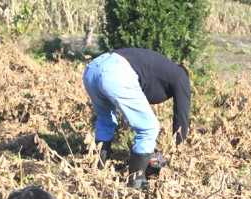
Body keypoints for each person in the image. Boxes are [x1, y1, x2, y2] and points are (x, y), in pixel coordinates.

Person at [82, 48, 191, 188]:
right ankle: (136, 183)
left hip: (93, 69)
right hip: (115, 72)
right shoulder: (181, 76)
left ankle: (98, 167)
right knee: (149, 128)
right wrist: (178, 151)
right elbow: (181, 116)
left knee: (105, 121)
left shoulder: (160, 68)